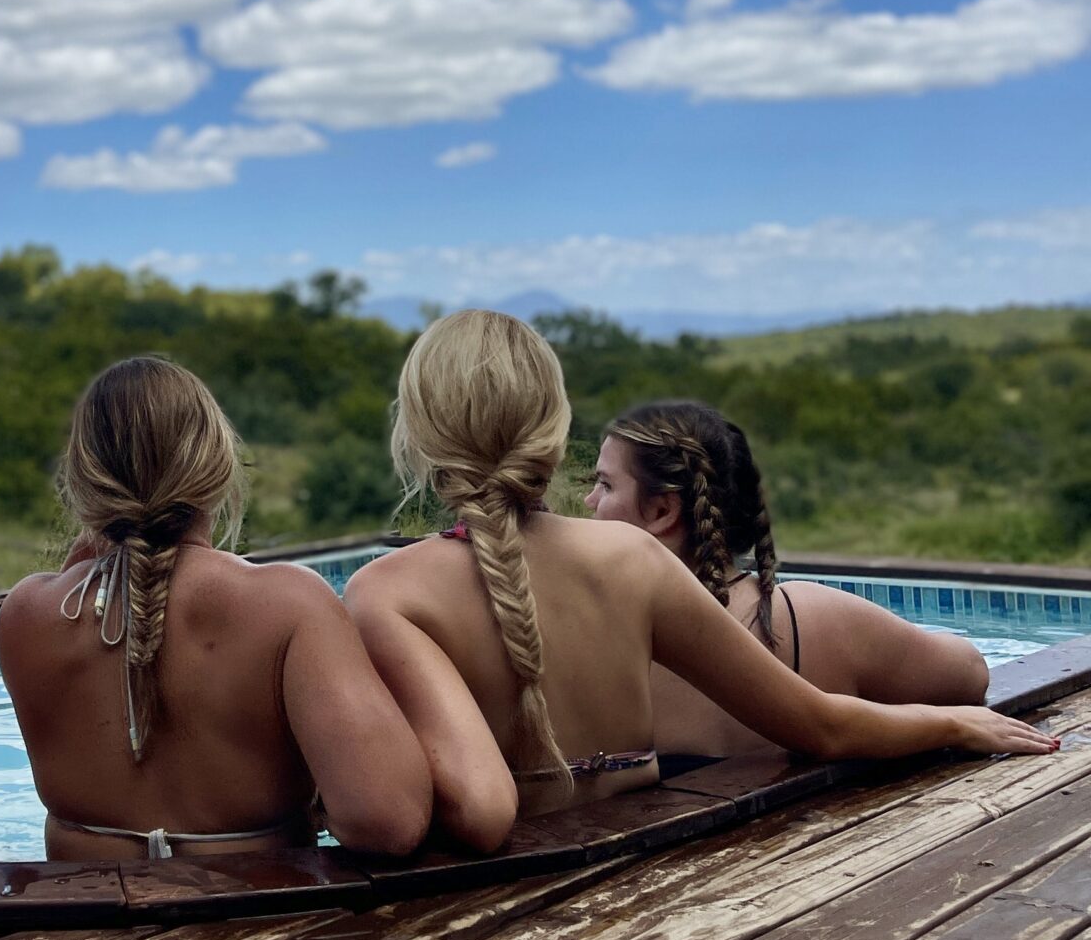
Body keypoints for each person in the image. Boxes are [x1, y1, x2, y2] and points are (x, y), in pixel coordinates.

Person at [345, 312, 1055, 817]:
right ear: (551, 437)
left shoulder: (385, 592)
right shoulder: (629, 558)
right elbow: (820, 724)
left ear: (419, 437)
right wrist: (954, 725)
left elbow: (458, 807)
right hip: (644, 897)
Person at [0, 355, 503, 861]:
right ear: (216, 470)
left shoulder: (27, 615)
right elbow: (388, 820)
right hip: (256, 924)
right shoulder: (287, 606)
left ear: (84, 483)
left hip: (81, 925)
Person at [587, 397, 988, 760]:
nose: (589, 501)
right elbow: (969, 672)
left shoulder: (595, 642)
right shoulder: (812, 617)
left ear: (661, 511)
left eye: (605, 484)